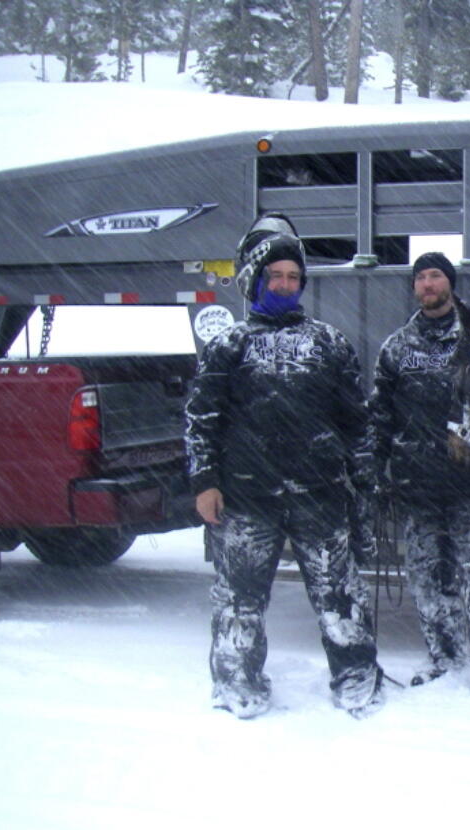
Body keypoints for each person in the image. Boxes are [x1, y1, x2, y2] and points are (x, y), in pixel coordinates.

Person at [185, 212, 384, 720]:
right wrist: (205, 482)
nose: (286, 284)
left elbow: (355, 422)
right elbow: (201, 419)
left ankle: (357, 676)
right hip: (248, 499)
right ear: (255, 278)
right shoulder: (229, 345)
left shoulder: (328, 343)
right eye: (276, 275)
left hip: (319, 496)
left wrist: (364, 481)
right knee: (239, 600)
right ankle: (237, 682)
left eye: (294, 277)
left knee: (339, 595)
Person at [367, 252, 470, 706]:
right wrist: (375, 471)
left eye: (435, 275)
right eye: (420, 277)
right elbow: (379, 417)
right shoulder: (397, 347)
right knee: (427, 579)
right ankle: (446, 661)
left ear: (450, 283)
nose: (427, 283)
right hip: (418, 490)